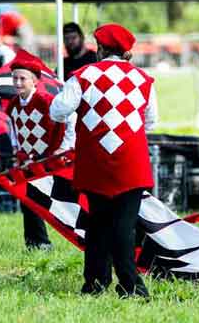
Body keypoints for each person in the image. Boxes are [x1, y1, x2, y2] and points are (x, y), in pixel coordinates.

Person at [50, 23, 158, 299]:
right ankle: (131, 286)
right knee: (125, 226)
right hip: (130, 162)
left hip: (95, 161)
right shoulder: (143, 79)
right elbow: (151, 122)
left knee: (96, 224)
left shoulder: (84, 75)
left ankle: (96, 284)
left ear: (100, 49)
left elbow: (57, 111)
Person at [5, 51, 75, 250]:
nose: (17, 82)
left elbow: (71, 119)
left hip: (50, 158)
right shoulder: (13, 104)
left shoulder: (46, 100)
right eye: (15, 78)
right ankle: (36, 243)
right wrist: (15, 149)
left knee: (60, 201)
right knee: (28, 200)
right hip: (27, 158)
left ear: (35, 81)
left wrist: (64, 147)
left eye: (22, 78)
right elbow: (14, 128)